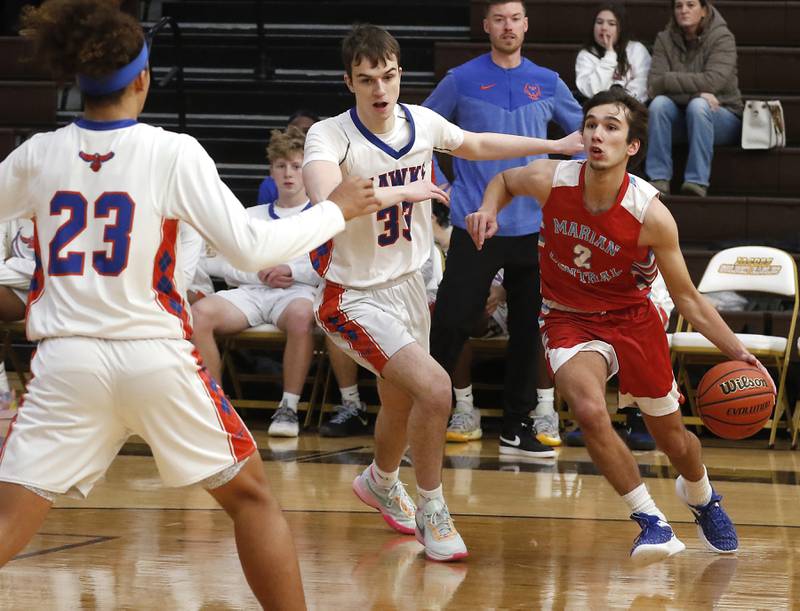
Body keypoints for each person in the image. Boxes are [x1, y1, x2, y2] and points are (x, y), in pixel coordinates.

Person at [0, 2, 380, 608]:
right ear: (144, 79)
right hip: (154, 355)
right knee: (251, 500)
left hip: (65, 362)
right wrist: (340, 210)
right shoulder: (173, 152)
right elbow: (253, 244)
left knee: (8, 521)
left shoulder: (36, 155)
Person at [303, 23, 582, 562]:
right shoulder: (329, 135)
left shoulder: (421, 121)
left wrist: (553, 142)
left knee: (401, 399)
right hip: (353, 295)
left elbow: (477, 144)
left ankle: (381, 480)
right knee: (435, 390)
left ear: (400, 73)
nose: (380, 90)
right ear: (349, 82)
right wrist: (406, 189)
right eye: (367, 80)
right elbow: (325, 197)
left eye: (388, 76)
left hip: (408, 285)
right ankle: (433, 508)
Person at [467, 87, 771, 561]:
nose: (596, 134)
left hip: (633, 317)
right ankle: (651, 522)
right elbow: (505, 180)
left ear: (632, 146)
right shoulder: (553, 179)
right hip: (568, 317)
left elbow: (689, 298)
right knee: (588, 410)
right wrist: (489, 209)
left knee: (675, 440)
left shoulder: (650, 214)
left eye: (611, 127)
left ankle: (703, 497)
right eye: (591, 124)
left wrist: (737, 351)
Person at [423, 0, 584, 454]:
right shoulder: (461, 79)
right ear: (486, 25)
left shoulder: (548, 82)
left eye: (515, 18)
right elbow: (421, 133)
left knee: (530, 331)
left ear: (526, 25)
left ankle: (517, 424)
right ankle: (424, 415)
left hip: (534, 229)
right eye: (499, 19)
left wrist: (561, 195)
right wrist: (443, 186)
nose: (508, 26)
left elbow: (583, 143)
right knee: (453, 322)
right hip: (477, 222)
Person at [192, 127, 323, 438]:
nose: (288, 174)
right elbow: (224, 264)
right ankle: (217, 408)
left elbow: (332, 266)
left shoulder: (321, 215)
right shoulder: (250, 215)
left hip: (298, 293)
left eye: (296, 166)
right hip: (251, 291)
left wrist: (292, 271)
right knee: (198, 314)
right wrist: (258, 271)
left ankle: (288, 407)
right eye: (281, 166)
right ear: (271, 171)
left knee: (303, 316)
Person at [646, 0, 742, 197]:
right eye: (679, 6)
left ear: (704, 10)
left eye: (690, 5)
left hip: (723, 117)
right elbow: (655, 84)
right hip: (683, 116)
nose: (684, 10)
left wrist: (669, 80)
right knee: (659, 105)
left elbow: (713, 81)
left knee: (698, 107)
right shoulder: (664, 39)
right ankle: (658, 179)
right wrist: (696, 93)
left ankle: (696, 182)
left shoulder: (722, 37)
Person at [575, 4, 651, 103]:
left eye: (611, 24)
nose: (604, 28)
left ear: (621, 28)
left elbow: (643, 85)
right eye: (599, 22)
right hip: (599, 109)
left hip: (632, 108)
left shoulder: (637, 50)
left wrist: (622, 103)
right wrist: (610, 54)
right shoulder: (585, 55)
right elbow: (592, 90)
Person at [257, 109, 320, 206]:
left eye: (307, 131)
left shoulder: (329, 176)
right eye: (281, 166)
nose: (288, 174)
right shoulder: (268, 185)